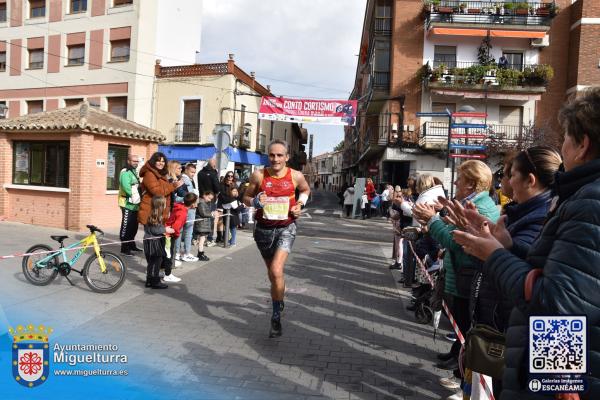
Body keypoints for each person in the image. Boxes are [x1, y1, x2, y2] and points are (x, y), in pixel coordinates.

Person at [452, 89, 600, 399]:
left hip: (559, 365)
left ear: (583, 144)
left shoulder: (590, 202)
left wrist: (494, 254)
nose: (562, 147)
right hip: (554, 362)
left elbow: (558, 306)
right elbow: (564, 278)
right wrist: (507, 247)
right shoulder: (579, 197)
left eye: (566, 138)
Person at [440, 146, 562, 397]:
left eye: (511, 174)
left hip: (525, 336)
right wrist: (495, 244)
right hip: (511, 329)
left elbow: (552, 297)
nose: (504, 182)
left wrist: (493, 251)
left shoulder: (559, 212)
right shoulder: (540, 211)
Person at [412, 161, 499, 380]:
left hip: (467, 276)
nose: (456, 182)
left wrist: (432, 221)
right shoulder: (469, 202)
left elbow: (453, 239)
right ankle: (457, 358)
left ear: (471, 183)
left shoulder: (478, 206)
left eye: (460, 179)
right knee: (460, 325)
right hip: (460, 273)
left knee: (466, 326)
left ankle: (461, 372)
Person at [243, 139, 311, 338]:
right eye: (272, 155)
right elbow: (245, 197)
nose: (275, 159)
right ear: (268, 156)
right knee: (273, 276)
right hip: (263, 230)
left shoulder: (296, 176)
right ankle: (279, 297)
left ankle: (275, 317)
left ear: (287, 157)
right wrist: (254, 201)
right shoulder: (258, 175)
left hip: (286, 228)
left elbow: (306, 190)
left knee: (276, 269)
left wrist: (300, 203)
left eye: (280, 155)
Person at [138, 152, 182, 226]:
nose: (161, 163)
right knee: (151, 235)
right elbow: (157, 191)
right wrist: (173, 186)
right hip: (151, 210)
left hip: (159, 210)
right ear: (153, 162)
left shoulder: (161, 173)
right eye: (158, 161)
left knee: (158, 235)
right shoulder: (149, 174)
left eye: (163, 161)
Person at [143, 196, 174, 289]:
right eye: (164, 203)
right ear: (160, 205)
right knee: (156, 261)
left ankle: (149, 280)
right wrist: (166, 229)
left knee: (152, 262)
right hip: (153, 242)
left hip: (151, 240)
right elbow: (155, 229)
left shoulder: (154, 214)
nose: (165, 205)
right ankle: (155, 281)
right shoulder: (154, 215)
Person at [118, 154, 142, 256]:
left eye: (137, 161)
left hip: (135, 204)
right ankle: (124, 248)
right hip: (127, 203)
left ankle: (132, 245)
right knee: (126, 226)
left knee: (134, 226)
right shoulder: (125, 172)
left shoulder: (133, 171)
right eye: (134, 161)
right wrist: (135, 197)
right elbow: (126, 187)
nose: (136, 163)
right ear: (128, 161)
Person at [177, 163, 199, 262]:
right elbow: (181, 193)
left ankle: (182, 252)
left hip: (189, 207)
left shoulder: (189, 179)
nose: (193, 174)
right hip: (187, 207)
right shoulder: (183, 179)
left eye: (194, 172)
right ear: (186, 170)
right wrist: (192, 200)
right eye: (191, 172)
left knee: (185, 231)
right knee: (185, 231)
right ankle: (182, 253)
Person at [197, 158, 220, 246]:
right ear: (213, 164)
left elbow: (199, 186)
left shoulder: (200, 173)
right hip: (211, 198)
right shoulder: (213, 173)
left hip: (202, 197)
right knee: (211, 218)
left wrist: (203, 195)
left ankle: (198, 238)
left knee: (201, 218)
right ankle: (209, 239)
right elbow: (217, 187)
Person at [194, 191, 214, 261]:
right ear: (204, 195)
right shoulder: (201, 203)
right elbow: (203, 213)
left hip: (203, 224)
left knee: (202, 239)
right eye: (209, 198)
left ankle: (201, 252)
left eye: (211, 199)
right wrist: (211, 214)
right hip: (201, 223)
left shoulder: (203, 203)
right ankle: (200, 253)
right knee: (202, 239)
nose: (210, 200)